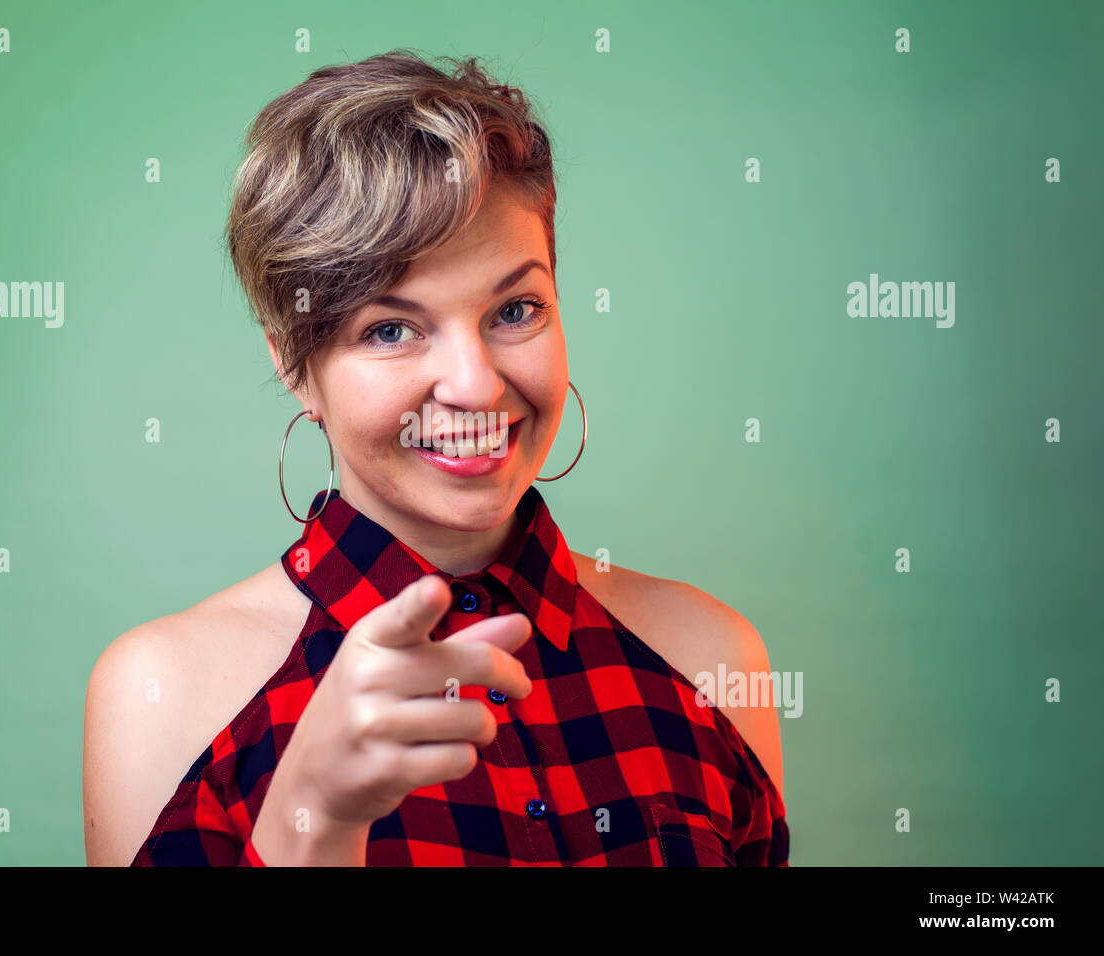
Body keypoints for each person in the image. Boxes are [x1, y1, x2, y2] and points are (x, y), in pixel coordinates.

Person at [82, 49, 788, 866]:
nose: (475, 385)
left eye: (516, 309)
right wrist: (308, 817)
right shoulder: (162, 693)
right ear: (293, 365)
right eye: (390, 329)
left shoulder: (712, 658)